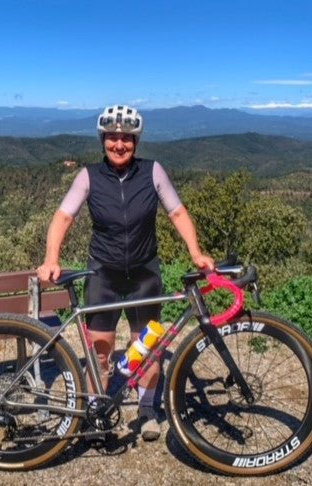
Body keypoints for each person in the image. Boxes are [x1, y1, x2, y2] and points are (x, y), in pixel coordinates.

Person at [37, 104, 214, 442]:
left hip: (144, 272)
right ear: (103, 140)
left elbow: (177, 212)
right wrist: (51, 258)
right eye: (113, 138)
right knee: (101, 350)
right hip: (103, 272)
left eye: (127, 138)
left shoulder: (153, 172)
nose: (119, 145)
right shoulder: (88, 176)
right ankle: (96, 410)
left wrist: (195, 252)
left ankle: (147, 409)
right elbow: (63, 217)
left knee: (145, 347)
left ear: (136, 141)